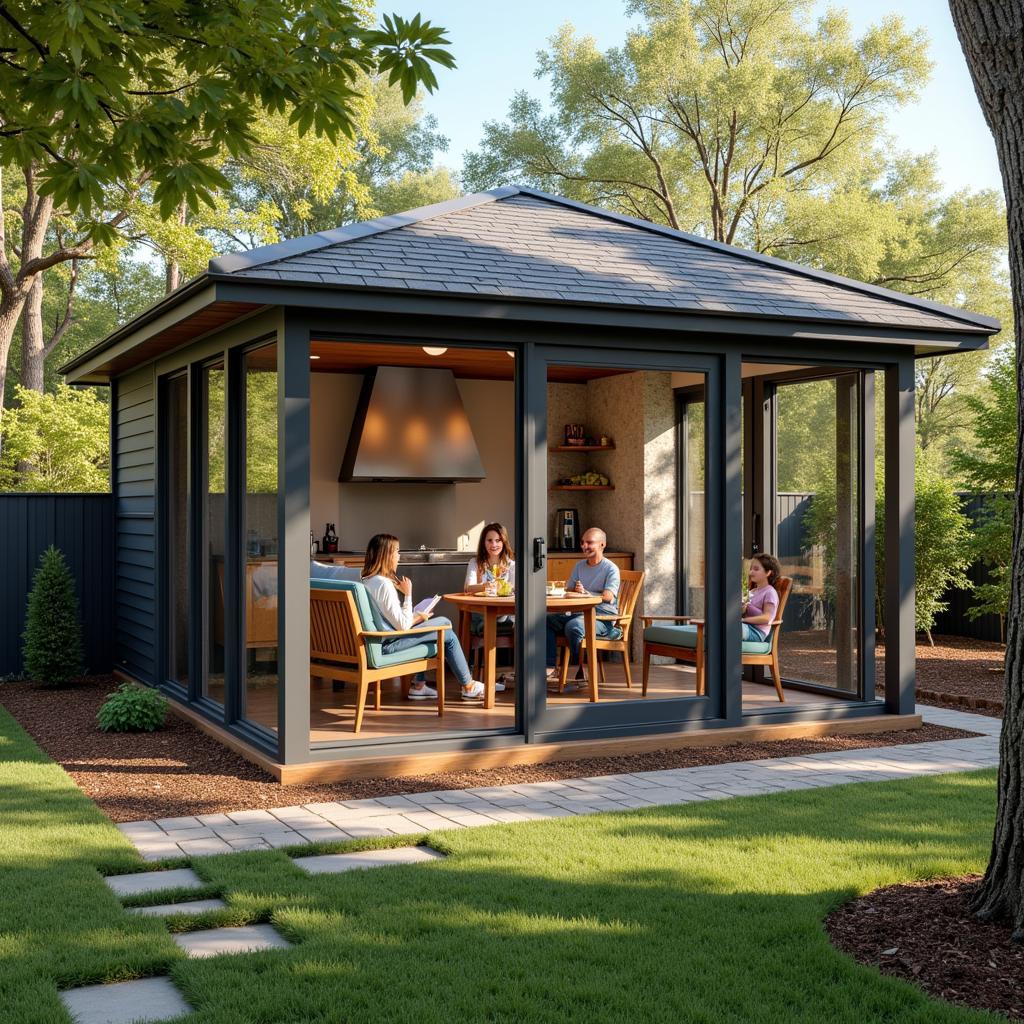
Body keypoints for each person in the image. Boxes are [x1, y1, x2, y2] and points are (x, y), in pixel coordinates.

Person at [361, 533, 485, 701]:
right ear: (386, 554)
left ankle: (419, 685)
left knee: (438, 627)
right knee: (446, 628)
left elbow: (392, 619)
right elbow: (403, 625)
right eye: (396, 551)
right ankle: (468, 686)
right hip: (389, 644)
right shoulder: (384, 584)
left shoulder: (367, 580)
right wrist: (408, 595)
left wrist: (417, 617)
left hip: (379, 640)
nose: (399, 556)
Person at [545, 526, 620, 686]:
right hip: (577, 612)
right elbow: (569, 589)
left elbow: (608, 597)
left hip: (602, 618)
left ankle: (582, 666)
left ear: (602, 545)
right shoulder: (579, 566)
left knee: (574, 627)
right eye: (582, 542)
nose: (584, 546)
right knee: (544, 621)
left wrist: (587, 594)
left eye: (589, 542)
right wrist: (576, 590)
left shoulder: (610, 568)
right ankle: (551, 667)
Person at [464, 523, 515, 688]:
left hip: (505, 615)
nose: (494, 545)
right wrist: (484, 586)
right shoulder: (476, 562)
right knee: (487, 624)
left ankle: (514, 676)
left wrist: (504, 589)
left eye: (498, 540)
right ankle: (477, 680)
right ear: (484, 543)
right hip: (482, 615)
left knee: (522, 626)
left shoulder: (511, 565)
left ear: (504, 541)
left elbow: (514, 589)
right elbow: (467, 588)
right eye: (489, 540)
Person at [742, 553, 782, 641]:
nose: (751, 572)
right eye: (751, 569)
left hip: (757, 632)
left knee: (729, 628)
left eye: (756, 569)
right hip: (746, 627)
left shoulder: (770, 592)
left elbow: (767, 618)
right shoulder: (752, 591)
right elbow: (745, 612)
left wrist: (743, 620)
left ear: (768, 572)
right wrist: (743, 609)